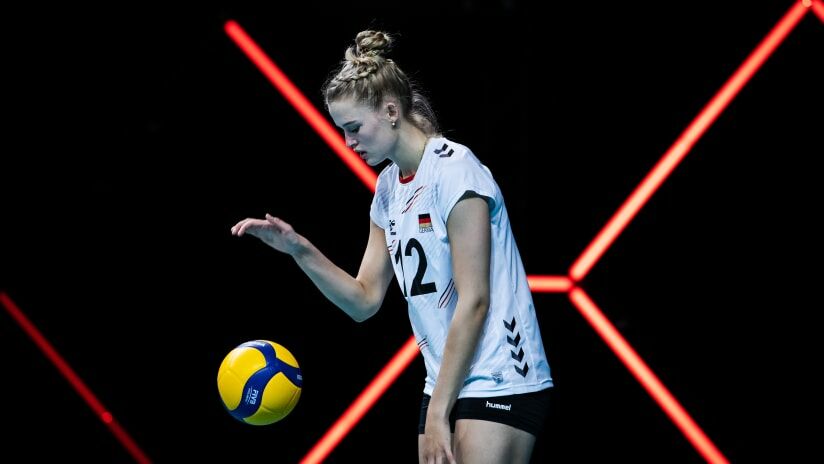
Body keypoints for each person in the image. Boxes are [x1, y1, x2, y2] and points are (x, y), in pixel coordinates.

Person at [230, 29, 553, 464]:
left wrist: (437, 412)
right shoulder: (387, 191)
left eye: (354, 128)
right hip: (443, 381)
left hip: (502, 373)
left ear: (391, 110)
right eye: (342, 131)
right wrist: (298, 249)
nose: (349, 143)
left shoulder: (455, 170)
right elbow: (363, 300)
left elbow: (475, 300)